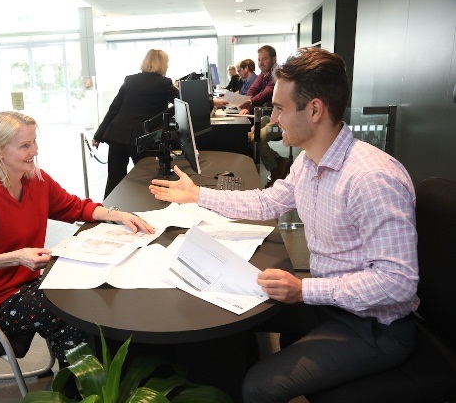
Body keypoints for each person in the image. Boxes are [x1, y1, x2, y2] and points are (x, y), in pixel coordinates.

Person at [148, 48, 419, 403]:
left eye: (279, 108)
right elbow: (267, 202)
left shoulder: (371, 179)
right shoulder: (309, 162)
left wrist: (303, 291)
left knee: (259, 387)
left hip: (375, 327)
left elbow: (397, 282)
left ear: (315, 110)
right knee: (222, 327)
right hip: (330, 302)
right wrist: (196, 195)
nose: (273, 119)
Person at [0, 111, 154, 369]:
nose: (34, 151)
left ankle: (94, 379)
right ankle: (85, 387)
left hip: (25, 284)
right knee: (70, 312)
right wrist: (16, 257)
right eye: (24, 145)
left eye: (34, 142)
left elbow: (74, 207)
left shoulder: (35, 179)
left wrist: (118, 215)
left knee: (88, 295)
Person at [92, 49, 180, 198]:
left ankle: (107, 214)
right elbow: (182, 102)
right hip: (143, 137)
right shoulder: (164, 83)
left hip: (118, 135)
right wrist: (211, 102)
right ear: (162, 64)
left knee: (114, 178)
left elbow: (114, 108)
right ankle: (147, 211)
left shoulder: (130, 80)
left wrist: (98, 135)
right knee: (147, 179)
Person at [241, 45, 288, 186]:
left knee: (257, 138)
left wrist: (249, 102)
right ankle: (280, 161)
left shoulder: (278, 74)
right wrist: (246, 101)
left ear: (274, 59)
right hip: (268, 116)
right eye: (259, 60)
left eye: (265, 59)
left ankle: (275, 169)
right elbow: (253, 90)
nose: (260, 63)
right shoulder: (263, 74)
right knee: (249, 137)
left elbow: (266, 93)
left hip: (282, 123)